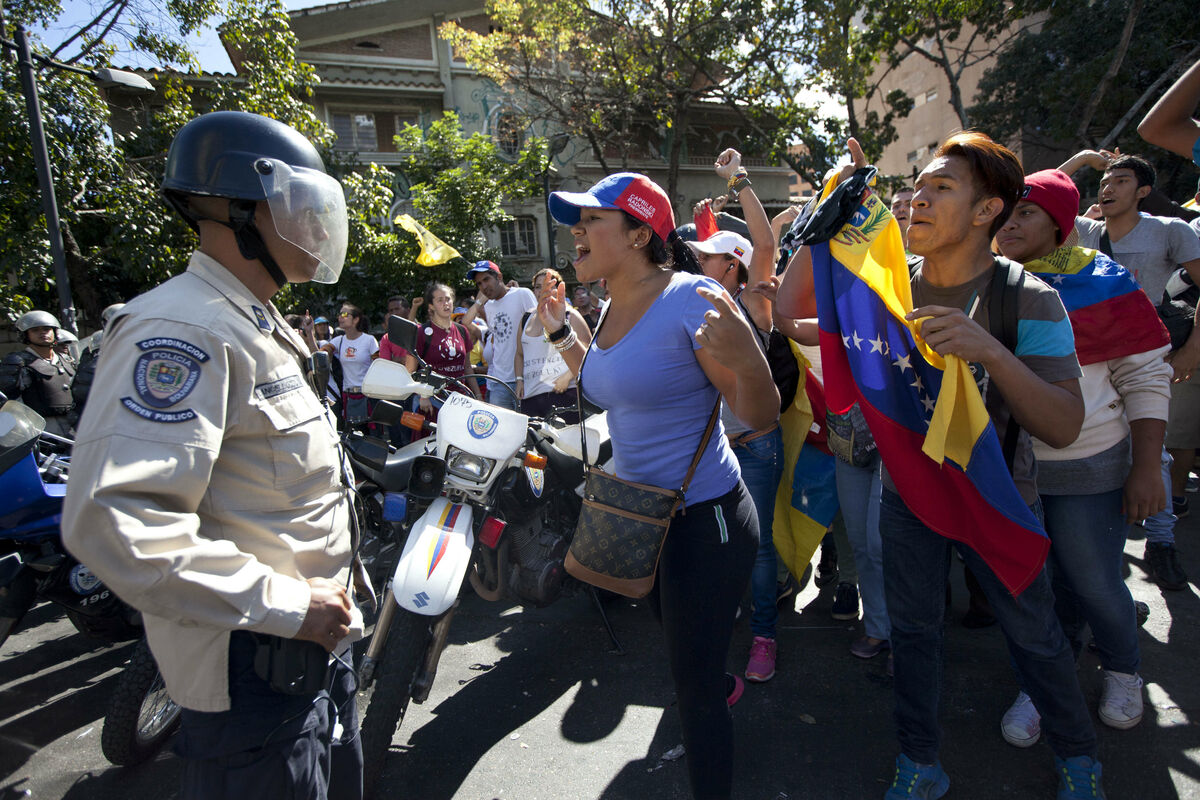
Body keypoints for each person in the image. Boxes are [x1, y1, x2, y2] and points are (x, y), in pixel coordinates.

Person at [60, 110, 364, 800]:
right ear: (237, 210)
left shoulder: (254, 321)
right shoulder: (182, 327)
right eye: (298, 204)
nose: (317, 225)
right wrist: (290, 605)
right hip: (255, 673)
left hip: (311, 653)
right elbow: (115, 520)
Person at [818, 133, 1103, 798]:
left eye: (941, 188)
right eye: (917, 185)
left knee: (1034, 636)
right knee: (914, 634)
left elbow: (1064, 423)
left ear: (986, 211)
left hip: (998, 495)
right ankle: (919, 762)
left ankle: (1079, 758)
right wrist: (841, 207)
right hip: (907, 495)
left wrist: (992, 353)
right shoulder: (889, 290)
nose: (917, 198)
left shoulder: (1028, 297)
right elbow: (801, 307)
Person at [544, 171, 777, 800]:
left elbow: (759, 415)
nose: (577, 232)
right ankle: (711, 672)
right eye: (577, 222)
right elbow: (617, 384)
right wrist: (562, 332)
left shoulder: (691, 297)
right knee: (684, 651)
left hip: (706, 521)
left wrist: (750, 358)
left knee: (693, 691)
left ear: (640, 234)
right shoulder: (611, 304)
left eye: (592, 220)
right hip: (642, 521)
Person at [994, 167, 1171, 745]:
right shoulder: (982, 282)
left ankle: (1122, 669)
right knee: (1034, 591)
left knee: (1095, 583)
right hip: (1007, 472)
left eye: (1026, 213)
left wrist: (1146, 466)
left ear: (1060, 225)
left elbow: (1145, 377)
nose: (1009, 224)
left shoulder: (1104, 282)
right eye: (1005, 213)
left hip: (1089, 468)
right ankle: (1044, 682)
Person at [1060, 150, 1200, 588]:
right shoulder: (1086, 230)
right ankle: (1104, 569)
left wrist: (1192, 351)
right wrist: (1083, 159)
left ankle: (1161, 545)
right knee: (1098, 453)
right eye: (1105, 181)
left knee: (1153, 452)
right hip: (1091, 361)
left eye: (1120, 180)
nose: (1108, 187)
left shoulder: (1170, 231)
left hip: (1147, 359)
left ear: (1143, 191)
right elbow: (1037, 191)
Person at [688, 148, 788, 684]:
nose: (697, 262)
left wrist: (738, 178)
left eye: (708, 257)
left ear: (732, 265)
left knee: (759, 546)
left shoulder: (754, 304)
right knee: (716, 541)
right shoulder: (695, 303)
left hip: (756, 445)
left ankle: (765, 635)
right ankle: (724, 618)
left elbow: (765, 245)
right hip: (713, 449)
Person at [515, 268, 591, 420]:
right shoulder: (526, 318)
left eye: (548, 285)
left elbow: (589, 352)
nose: (542, 290)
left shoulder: (570, 314)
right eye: (538, 287)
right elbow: (519, 354)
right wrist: (519, 380)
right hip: (531, 397)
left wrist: (567, 377)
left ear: (558, 288)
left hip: (564, 394)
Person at [461, 260, 536, 411]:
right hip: (498, 382)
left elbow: (537, 330)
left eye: (486, 279)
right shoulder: (488, 306)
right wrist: (480, 301)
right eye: (479, 283)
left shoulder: (522, 294)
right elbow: (466, 321)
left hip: (525, 378)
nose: (483, 286)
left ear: (499, 277)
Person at [405, 281, 480, 423]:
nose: (446, 303)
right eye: (440, 300)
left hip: (459, 401)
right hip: (431, 402)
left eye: (448, 299)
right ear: (431, 306)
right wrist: (423, 396)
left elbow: (467, 367)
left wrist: (477, 395)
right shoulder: (421, 333)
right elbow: (410, 371)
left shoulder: (462, 331)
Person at [0, 310, 77, 436]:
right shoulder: (18, 361)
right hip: (40, 429)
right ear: (25, 335)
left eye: (47, 329)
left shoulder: (67, 360)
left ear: (55, 332)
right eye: (35, 330)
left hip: (75, 425)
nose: (42, 333)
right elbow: (8, 402)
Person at [322, 303, 379, 425]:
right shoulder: (339, 341)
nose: (340, 317)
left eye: (345, 314)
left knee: (372, 433)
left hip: (368, 396)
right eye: (339, 314)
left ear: (356, 319)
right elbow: (320, 354)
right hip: (349, 397)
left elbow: (379, 365)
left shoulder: (369, 340)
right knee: (352, 433)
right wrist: (309, 333)